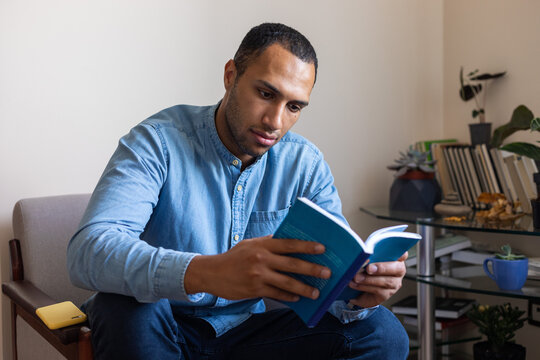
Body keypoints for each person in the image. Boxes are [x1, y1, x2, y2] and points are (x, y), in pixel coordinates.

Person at [67, 22, 409, 360]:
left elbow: (326, 282)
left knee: (383, 333)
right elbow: (89, 251)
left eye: (294, 107)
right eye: (266, 94)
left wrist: (361, 292)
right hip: (162, 324)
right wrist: (206, 272)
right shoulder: (157, 142)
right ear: (231, 75)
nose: (275, 121)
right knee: (121, 304)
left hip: (251, 333)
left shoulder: (305, 164)